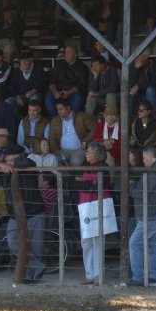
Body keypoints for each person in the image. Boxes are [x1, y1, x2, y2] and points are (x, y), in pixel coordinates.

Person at [0, 144, 47, 282]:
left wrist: (6, 164)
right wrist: (0, 165)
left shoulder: (29, 162)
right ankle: (38, 267)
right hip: (15, 213)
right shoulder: (4, 167)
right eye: (6, 157)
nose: (6, 159)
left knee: (36, 246)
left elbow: (26, 163)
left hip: (34, 211)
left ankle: (32, 275)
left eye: (9, 156)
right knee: (12, 242)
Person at [128, 144, 156, 287]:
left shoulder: (153, 173)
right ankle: (154, 276)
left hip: (149, 215)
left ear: (150, 157)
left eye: (144, 158)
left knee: (134, 243)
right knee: (151, 244)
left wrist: (131, 187)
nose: (143, 161)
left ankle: (138, 277)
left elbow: (142, 193)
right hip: (152, 214)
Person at [75, 142, 111, 286]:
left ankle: (98, 275)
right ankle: (89, 274)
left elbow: (103, 183)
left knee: (97, 241)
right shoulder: (85, 165)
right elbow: (77, 183)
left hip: (98, 206)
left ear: (97, 153)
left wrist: (86, 183)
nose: (86, 153)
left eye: (89, 151)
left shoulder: (104, 167)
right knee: (86, 242)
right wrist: (91, 182)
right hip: (84, 206)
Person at [48, 98, 97, 166]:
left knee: (75, 161)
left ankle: (76, 176)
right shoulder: (55, 120)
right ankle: (66, 176)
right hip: (63, 151)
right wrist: (55, 149)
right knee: (55, 160)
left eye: (61, 109)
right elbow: (51, 137)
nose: (59, 112)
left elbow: (94, 127)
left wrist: (86, 141)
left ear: (68, 108)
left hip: (79, 149)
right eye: (58, 109)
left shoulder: (81, 116)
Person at [45, 45, 89, 118]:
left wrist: (68, 93)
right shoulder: (59, 65)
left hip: (73, 92)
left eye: (68, 52)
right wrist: (55, 92)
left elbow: (82, 85)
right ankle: (56, 121)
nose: (65, 54)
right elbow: (51, 81)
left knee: (79, 98)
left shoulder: (82, 67)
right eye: (65, 52)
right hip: (58, 91)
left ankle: (71, 121)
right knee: (48, 98)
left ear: (75, 54)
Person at [129, 48, 156, 113]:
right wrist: (135, 68)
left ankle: (153, 117)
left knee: (150, 90)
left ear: (146, 57)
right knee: (128, 94)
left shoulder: (153, 64)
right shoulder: (133, 64)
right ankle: (128, 120)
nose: (137, 58)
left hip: (149, 93)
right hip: (137, 94)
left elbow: (153, 83)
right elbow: (130, 83)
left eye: (140, 56)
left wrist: (138, 86)